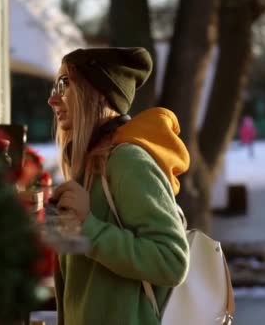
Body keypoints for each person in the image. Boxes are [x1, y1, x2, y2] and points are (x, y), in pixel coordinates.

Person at [47, 47, 190, 325]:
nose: (52, 99)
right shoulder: (87, 168)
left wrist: (87, 228)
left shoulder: (127, 162)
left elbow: (171, 260)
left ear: (97, 92)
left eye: (65, 84)